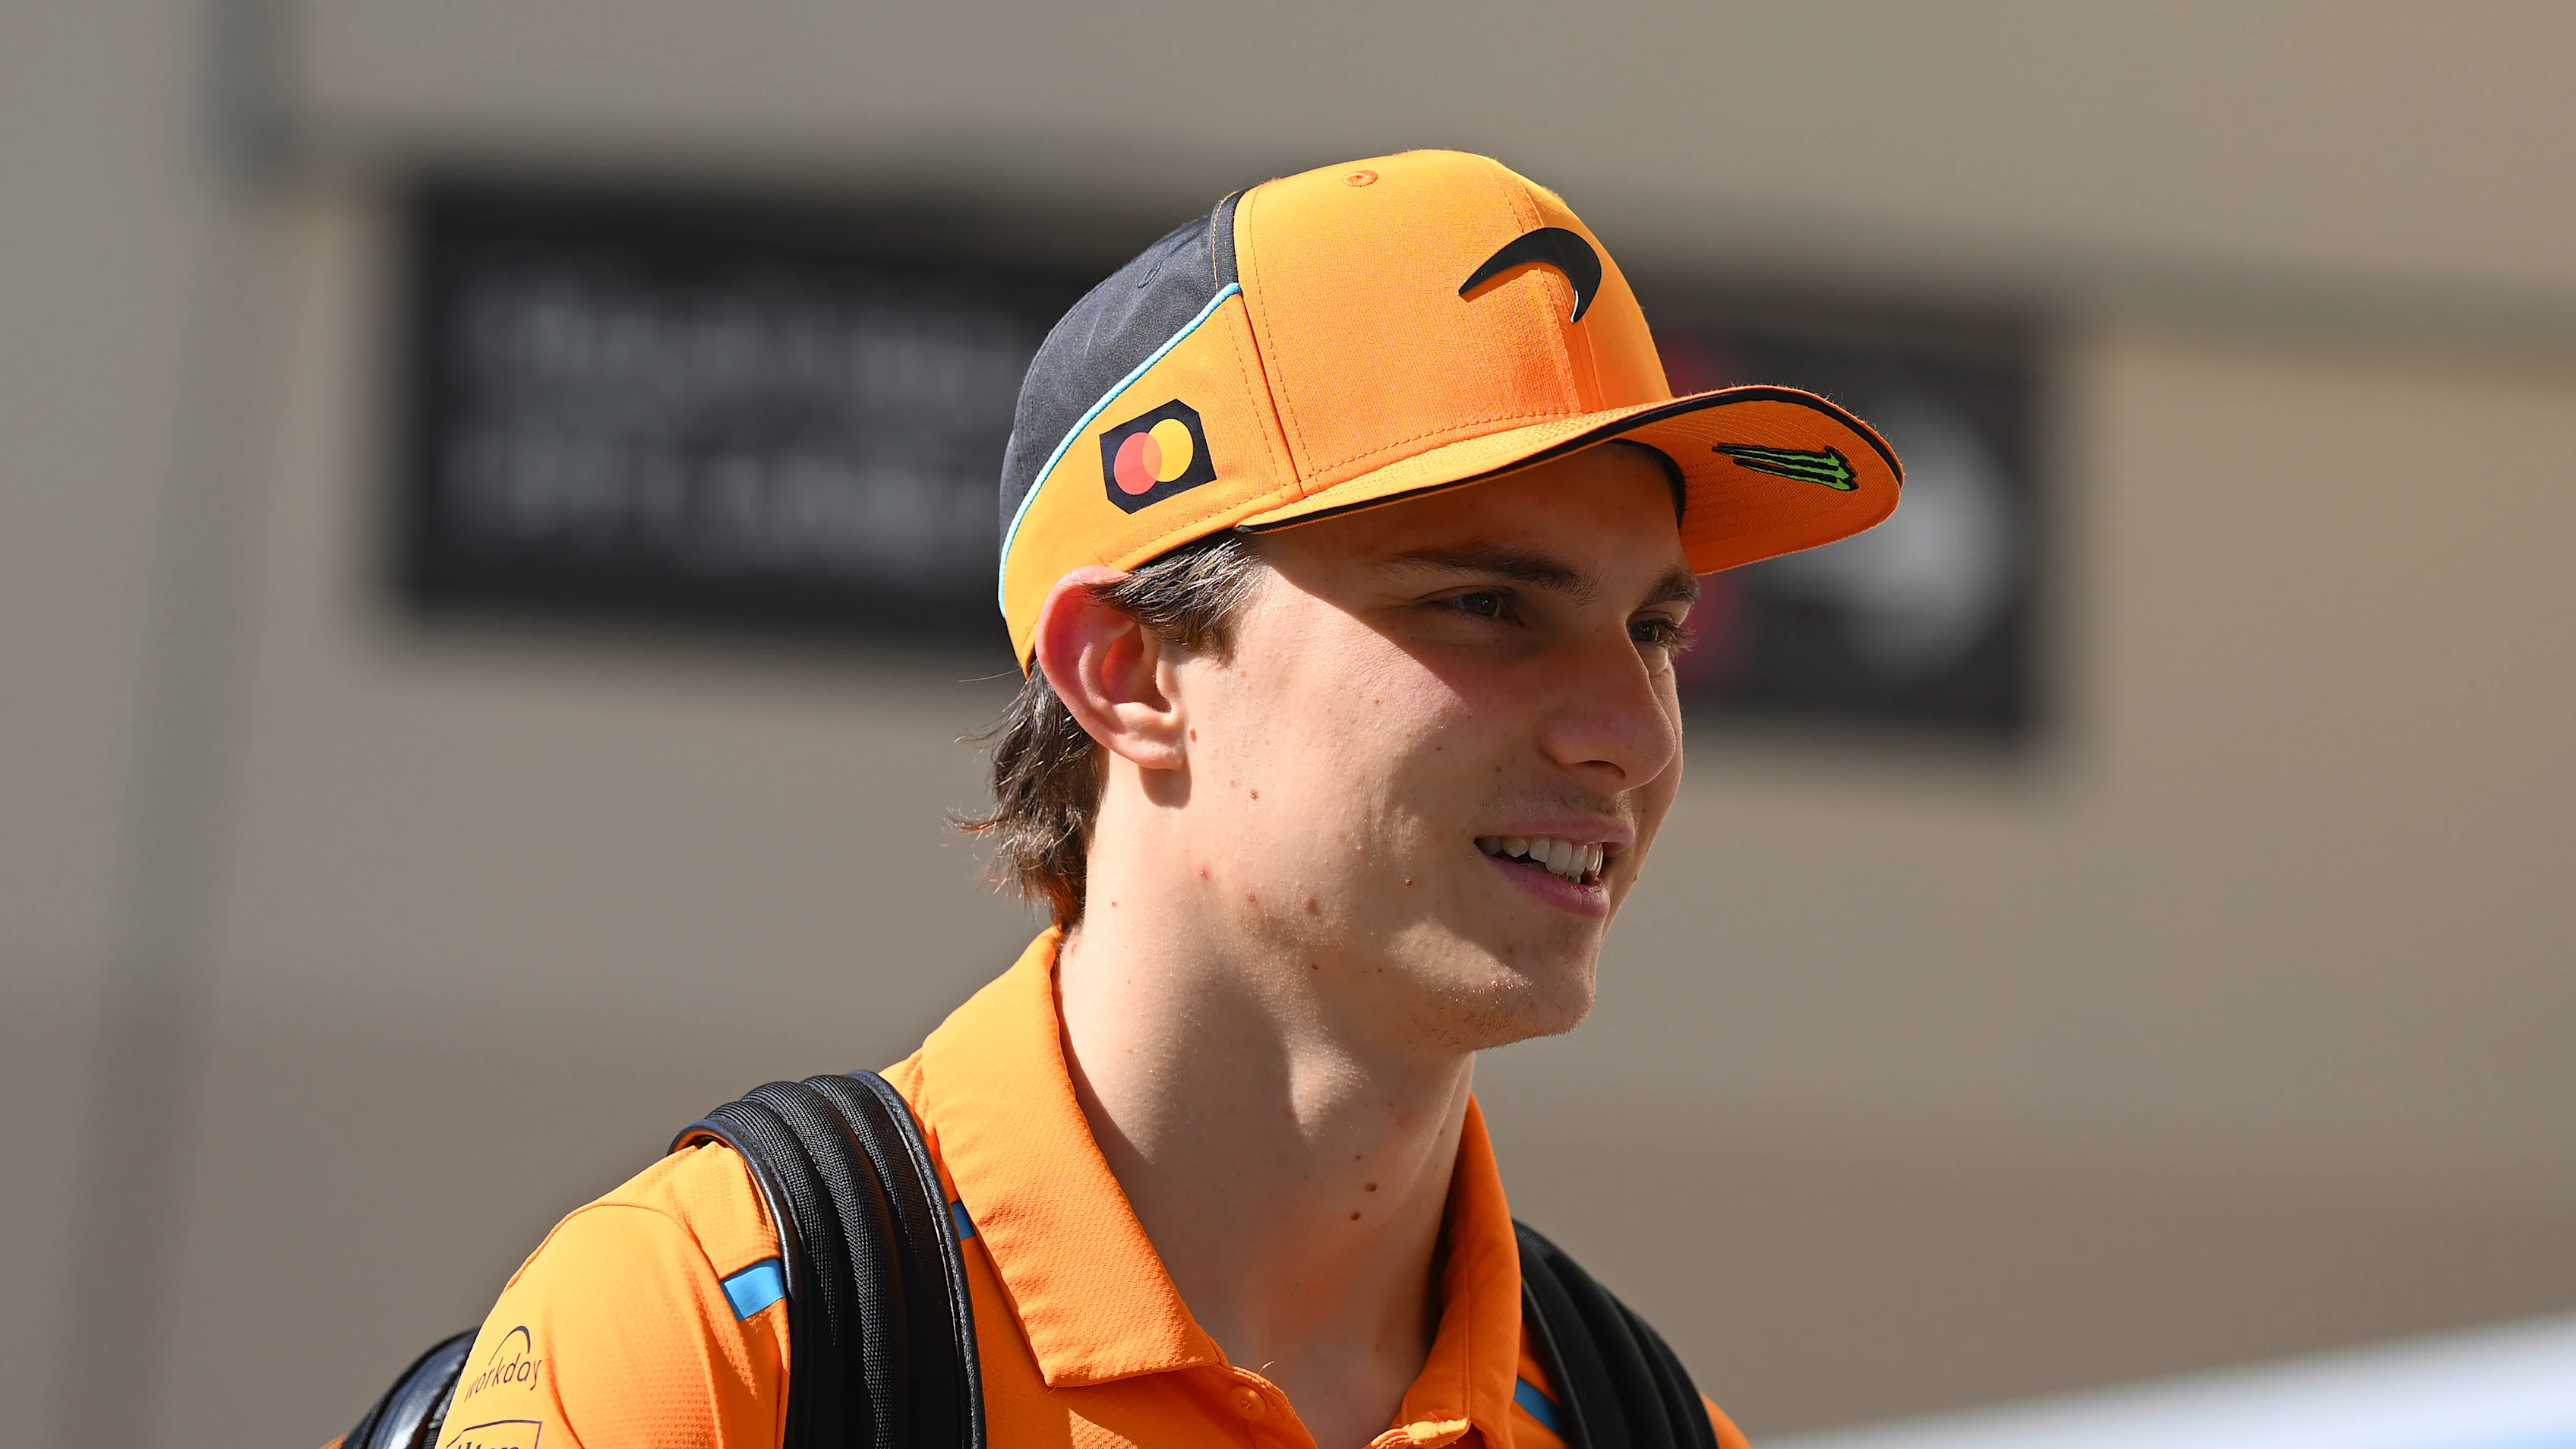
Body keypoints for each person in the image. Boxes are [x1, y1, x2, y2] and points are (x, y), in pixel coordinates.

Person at [433, 149, 1901, 1449]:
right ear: (1129, 669)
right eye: (1487, 605)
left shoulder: (1636, 1425)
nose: (1629, 734)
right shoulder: (720, 1345)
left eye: (1655, 630)